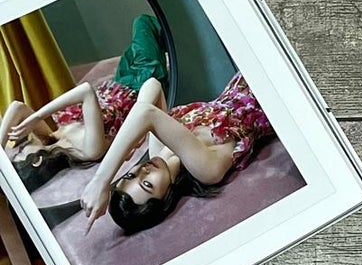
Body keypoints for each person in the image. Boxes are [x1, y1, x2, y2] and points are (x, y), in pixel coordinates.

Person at [77, 73, 273, 235]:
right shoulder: (205, 171)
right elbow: (146, 113)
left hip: (243, 77)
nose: (143, 171)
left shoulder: (159, 154)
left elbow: (153, 86)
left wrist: (136, 136)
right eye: (147, 184)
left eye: (131, 175)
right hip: (269, 92)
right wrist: (100, 181)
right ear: (165, 198)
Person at [1, 14, 170, 189]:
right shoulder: (89, 151)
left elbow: (17, 107)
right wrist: (37, 116)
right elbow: (86, 91)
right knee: (143, 23)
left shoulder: (49, 138)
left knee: (153, 36)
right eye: (18, 154)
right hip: (141, 83)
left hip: (119, 81)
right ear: (36, 162)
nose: (18, 148)